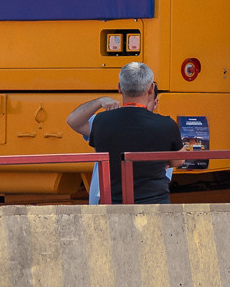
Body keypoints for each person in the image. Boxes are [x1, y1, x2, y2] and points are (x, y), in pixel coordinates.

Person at [69, 62, 183, 204]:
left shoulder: (101, 121)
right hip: (154, 206)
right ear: (151, 89)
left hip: (112, 205)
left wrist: (100, 101)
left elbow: (72, 120)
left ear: (119, 88)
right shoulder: (167, 125)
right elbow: (179, 160)